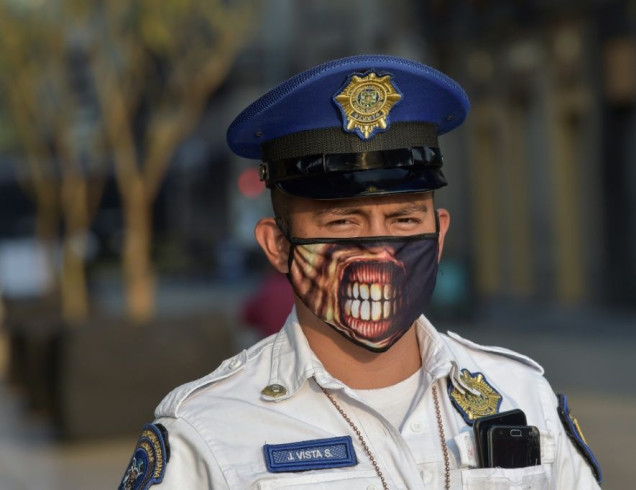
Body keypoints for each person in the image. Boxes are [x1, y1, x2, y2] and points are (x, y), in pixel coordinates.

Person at [119, 55, 601, 489]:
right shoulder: (208, 434)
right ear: (278, 245)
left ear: (440, 234)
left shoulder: (522, 397)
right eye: (343, 221)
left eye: (405, 219)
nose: (378, 246)